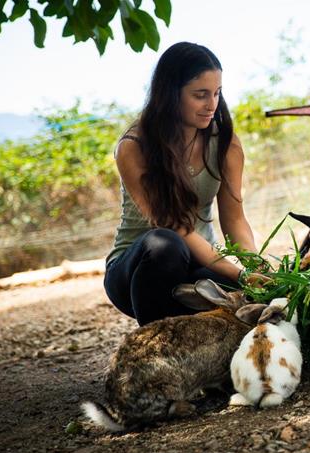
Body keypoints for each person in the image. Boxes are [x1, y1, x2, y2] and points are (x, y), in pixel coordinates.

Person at [103, 42, 267, 326]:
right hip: (139, 270)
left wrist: (257, 267)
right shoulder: (134, 147)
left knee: (248, 300)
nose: (212, 105)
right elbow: (172, 224)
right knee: (166, 244)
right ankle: (154, 346)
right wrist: (236, 273)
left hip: (199, 264)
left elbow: (235, 220)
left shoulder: (224, 143)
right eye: (200, 95)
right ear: (170, 94)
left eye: (217, 93)